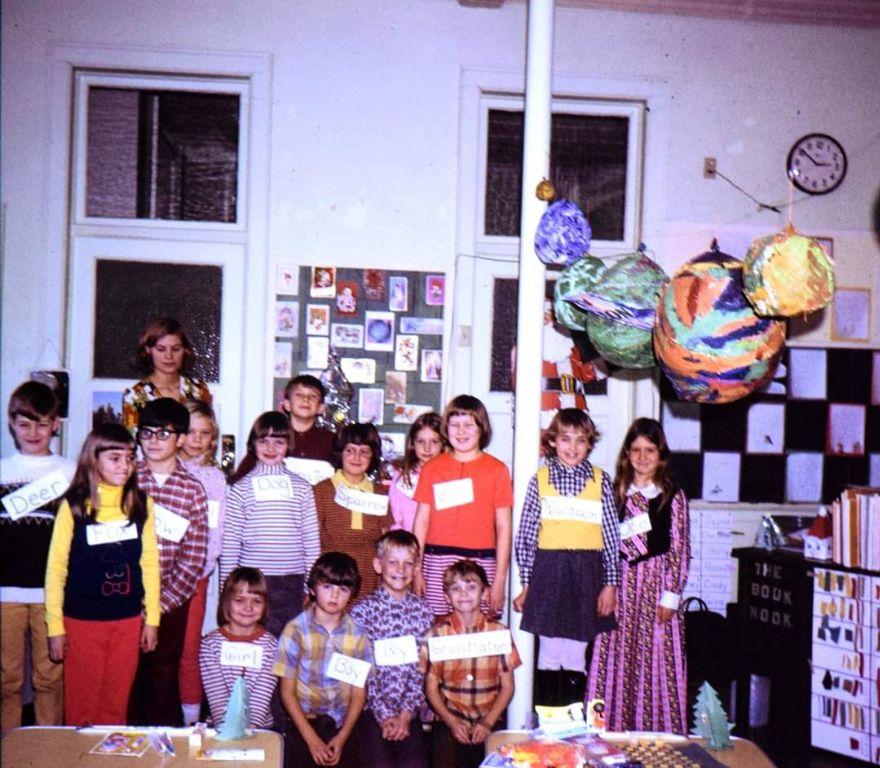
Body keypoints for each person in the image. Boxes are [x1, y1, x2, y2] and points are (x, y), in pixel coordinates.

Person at [44, 424, 160, 726]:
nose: (125, 465)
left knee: (115, 707)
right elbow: (56, 569)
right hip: (81, 621)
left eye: (130, 457)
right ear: (94, 460)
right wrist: (55, 626)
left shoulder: (142, 505)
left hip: (126, 621)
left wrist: (152, 620)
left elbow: (149, 563)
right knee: (82, 709)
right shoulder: (74, 507)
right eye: (115, 458)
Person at [585, 418, 691, 734]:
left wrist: (671, 595)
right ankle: (602, 732)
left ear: (661, 455)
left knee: (656, 661)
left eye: (650, 450)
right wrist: (604, 586)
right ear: (626, 455)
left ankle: (659, 735)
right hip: (618, 586)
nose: (643, 457)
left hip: (655, 587)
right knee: (611, 660)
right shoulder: (614, 493)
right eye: (636, 450)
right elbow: (602, 543)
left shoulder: (672, 496)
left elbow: (681, 548)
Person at [513, 408, 620, 706]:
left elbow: (611, 536)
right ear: (553, 442)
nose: (572, 447)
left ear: (589, 444)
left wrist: (609, 585)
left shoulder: (601, 481)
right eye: (565, 439)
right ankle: (547, 722)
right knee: (548, 651)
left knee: (575, 652)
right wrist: (527, 583)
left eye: (580, 440)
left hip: (587, 573)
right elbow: (526, 535)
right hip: (549, 571)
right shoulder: (540, 479)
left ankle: (572, 724)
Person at [130, 398, 208, 726]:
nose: (153, 441)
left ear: (180, 439)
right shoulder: (127, 479)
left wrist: (160, 605)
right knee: (127, 676)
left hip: (171, 600)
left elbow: (194, 556)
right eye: (146, 433)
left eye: (163, 434)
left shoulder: (193, 490)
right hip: (125, 596)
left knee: (163, 674)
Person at [1, 382, 75, 730]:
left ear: (56, 425)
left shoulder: (70, 473)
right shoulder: (2, 472)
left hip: (51, 596)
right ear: (11, 423)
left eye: (42, 423)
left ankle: (48, 749)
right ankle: (9, 751)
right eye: (24, 423)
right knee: (7, 680)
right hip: (5, 595)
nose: (33, 432)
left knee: (49, 679)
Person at [221, 411, 320, 637]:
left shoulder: (302, 488)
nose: (271, 448)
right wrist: (227, 589)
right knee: (252, 638)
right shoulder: (240, 489)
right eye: (263, 441)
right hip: (253, 582)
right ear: (253, 445)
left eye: (279, 442)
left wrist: (310, 587)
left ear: (288, 445)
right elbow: (231, 543)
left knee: (288, 645)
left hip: (291, 582)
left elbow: (311, 541)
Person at [412, 395, 513, 616]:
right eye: (455, 425)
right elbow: (421, 520)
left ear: (482, 429)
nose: (461, 431)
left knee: (479, 631)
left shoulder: (497, 470)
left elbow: (504, 527)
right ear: (446, 430)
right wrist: (417, 569)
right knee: (439, 629)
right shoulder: (433, 468)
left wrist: (499, 580)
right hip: (436, 561)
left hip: (481, 560)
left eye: (469, 425)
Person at [273, 552, 372, 768]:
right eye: (327, 587)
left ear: (352, 594)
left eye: (343, 589)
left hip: (343, 723)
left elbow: (359, 692)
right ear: (313, 588)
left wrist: (342, 737)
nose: (334, 595)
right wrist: (312, 741)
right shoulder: (295, 631)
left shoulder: (358, 635)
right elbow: (287, 693)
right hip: (304, 721)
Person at [423, 560, 520, 768]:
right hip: (449, 720)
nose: (464, 594)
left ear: (484, 593)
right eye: (456, 589)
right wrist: (451, 721)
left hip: (490, 719)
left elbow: (508, 687)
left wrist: (487, 723)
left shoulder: (499, 633)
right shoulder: (436, 636)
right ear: (447, 598)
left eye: (471, 587)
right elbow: (431, 689)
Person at [350, 531, 434, 768]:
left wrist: (406, 715)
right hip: (370, 709)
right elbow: (364, 672)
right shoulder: (361, 613)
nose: (401, 569)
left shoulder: (424, 613)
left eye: (408, 563)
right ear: (378, 565)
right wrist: (385, 715)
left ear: (417, 568)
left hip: (409, 709)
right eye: (393, 562)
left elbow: (422, 669)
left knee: (416, 763)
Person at [178, 399, 228, 724]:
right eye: (190, 432)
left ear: (213, 439)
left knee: (188, 650)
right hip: (156, 576)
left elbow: (216, 530)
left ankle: (190, 720)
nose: (196, 440)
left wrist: (201, 567)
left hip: (195, 575)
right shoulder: (162, 470)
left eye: (204, 433)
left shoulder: (214, 479)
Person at [313, 423, 392, 602]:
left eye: (364, 452)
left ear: (373, 457)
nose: (357, 457)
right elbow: (312, 537)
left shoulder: (379, 492)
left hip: (369, 572)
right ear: (340, 453)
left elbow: (385, 539)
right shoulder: (323, 490)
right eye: (350, 450)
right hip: (332, 573)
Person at [200, 568, 278, 729]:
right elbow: (217, 696)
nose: (248, 608)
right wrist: (230, 730)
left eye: (256, 601)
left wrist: (250, 729)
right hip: (221, 727)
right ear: (226, 603)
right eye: (239, 600)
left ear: (265, 605)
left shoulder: (271, 646)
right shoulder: (210, 645)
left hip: (259, 728)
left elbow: (261, 697)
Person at [122, 317, 211, 430]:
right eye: (161, 349)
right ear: (148, 350)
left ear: (185, 350)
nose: (169, 356)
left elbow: (207, 433)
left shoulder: (199, 391)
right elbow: (133, 442)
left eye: (175, 349)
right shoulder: (135, 396)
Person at [388, 413, 443, 533]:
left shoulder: (448, 478)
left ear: (443, 444)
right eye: (420, 441)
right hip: (407, 544)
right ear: (412, 444)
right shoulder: (402, 477)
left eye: (434, 442)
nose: (427, 448)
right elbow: (395, 519)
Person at [283, 375, 335, 464]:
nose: (306, 399)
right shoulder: (274, 438)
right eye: (299, 395)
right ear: (287, 404)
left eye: (313, 396)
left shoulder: (331, 441)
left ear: (321, 407)